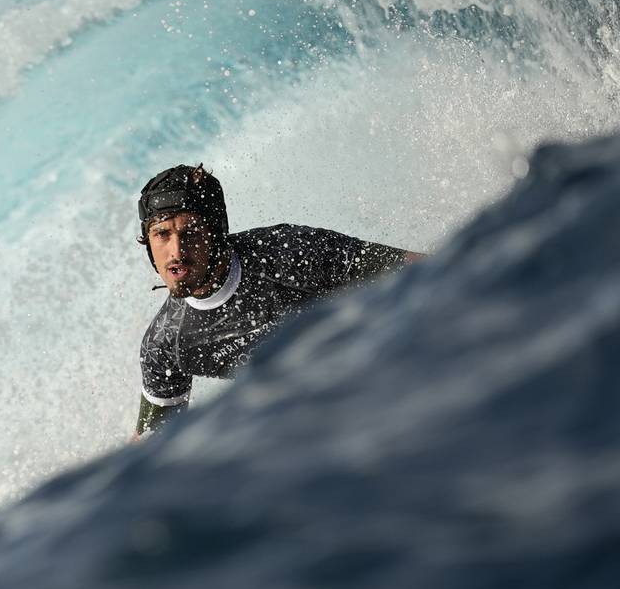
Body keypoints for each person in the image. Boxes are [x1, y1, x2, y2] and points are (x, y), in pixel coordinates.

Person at [133, 164, 423, 439]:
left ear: (216, 232)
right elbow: (151, 446)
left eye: (191, 232)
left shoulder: (287, 252)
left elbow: (420, 270)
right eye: (161, 234)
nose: (176, 250)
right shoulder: (166, 344)